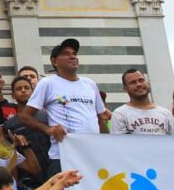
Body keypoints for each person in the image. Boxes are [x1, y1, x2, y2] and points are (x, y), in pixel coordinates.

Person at [20, 39, 108, 179]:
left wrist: (105, 146)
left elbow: (100, 119)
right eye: (66, 54)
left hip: (92, 156)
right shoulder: (47, 83)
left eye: (74, 53)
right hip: (63, 157)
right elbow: (25, 116)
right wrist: (48, 130)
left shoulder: (90, 84)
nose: (73, 56)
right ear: (54, 61)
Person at [110, 70, 174, 135]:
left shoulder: (165, 113)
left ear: (148, 83)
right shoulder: (120, 114)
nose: (138, 84)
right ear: (125, 89)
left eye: (141, 80)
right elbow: (120, 144)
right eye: (133, 82)